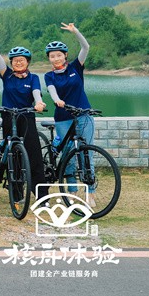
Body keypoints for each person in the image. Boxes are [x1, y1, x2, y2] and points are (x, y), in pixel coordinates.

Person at [0, 25, 47, 199]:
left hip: (27, 117)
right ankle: (17, 192)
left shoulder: (33, 78)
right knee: (13, 155)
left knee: (34, 156)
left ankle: (41, 194)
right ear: (11, 63)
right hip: (8, 117)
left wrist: (39, 102)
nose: (18, 62)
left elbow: (36, 92)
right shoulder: (7, 75)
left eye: (22, 60)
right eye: (15, 60)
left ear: (28, 62)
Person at [44, 22, 96, 207]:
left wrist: (76, 31)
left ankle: (90, 192)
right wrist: (57, 100)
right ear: (49, 59)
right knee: (68, 157)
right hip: (63, 117)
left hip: (84, 114)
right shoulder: (49, 76)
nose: (56, 58)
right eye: (52, 56)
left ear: (65, 55)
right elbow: (51, 91)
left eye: (59, 55)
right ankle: (72, 192)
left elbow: (86, 47)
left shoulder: (76, 67)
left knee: (86, 153)